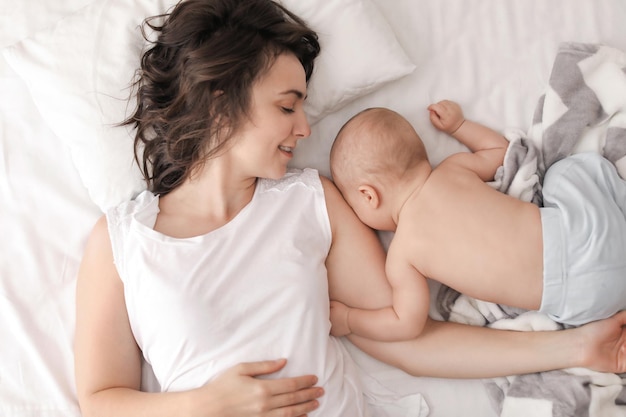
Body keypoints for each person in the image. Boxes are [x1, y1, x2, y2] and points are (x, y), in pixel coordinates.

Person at [74, 1, 626, 416]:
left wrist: (577, 345)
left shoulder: (310, 202)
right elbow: (100, 400)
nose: (305, 128)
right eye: (287, 106)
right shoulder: (122, 242)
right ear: (222, 101)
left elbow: (412, 342)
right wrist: (205, 404)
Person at [328, 99, 626, 342]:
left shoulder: (403, 256)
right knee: (564, 172)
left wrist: (351, 319)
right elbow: (501, 153)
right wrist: (459, 126)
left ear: (368, 195)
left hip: (587, 302)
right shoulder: (453, 170)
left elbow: (406, 323)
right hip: (591, 235)